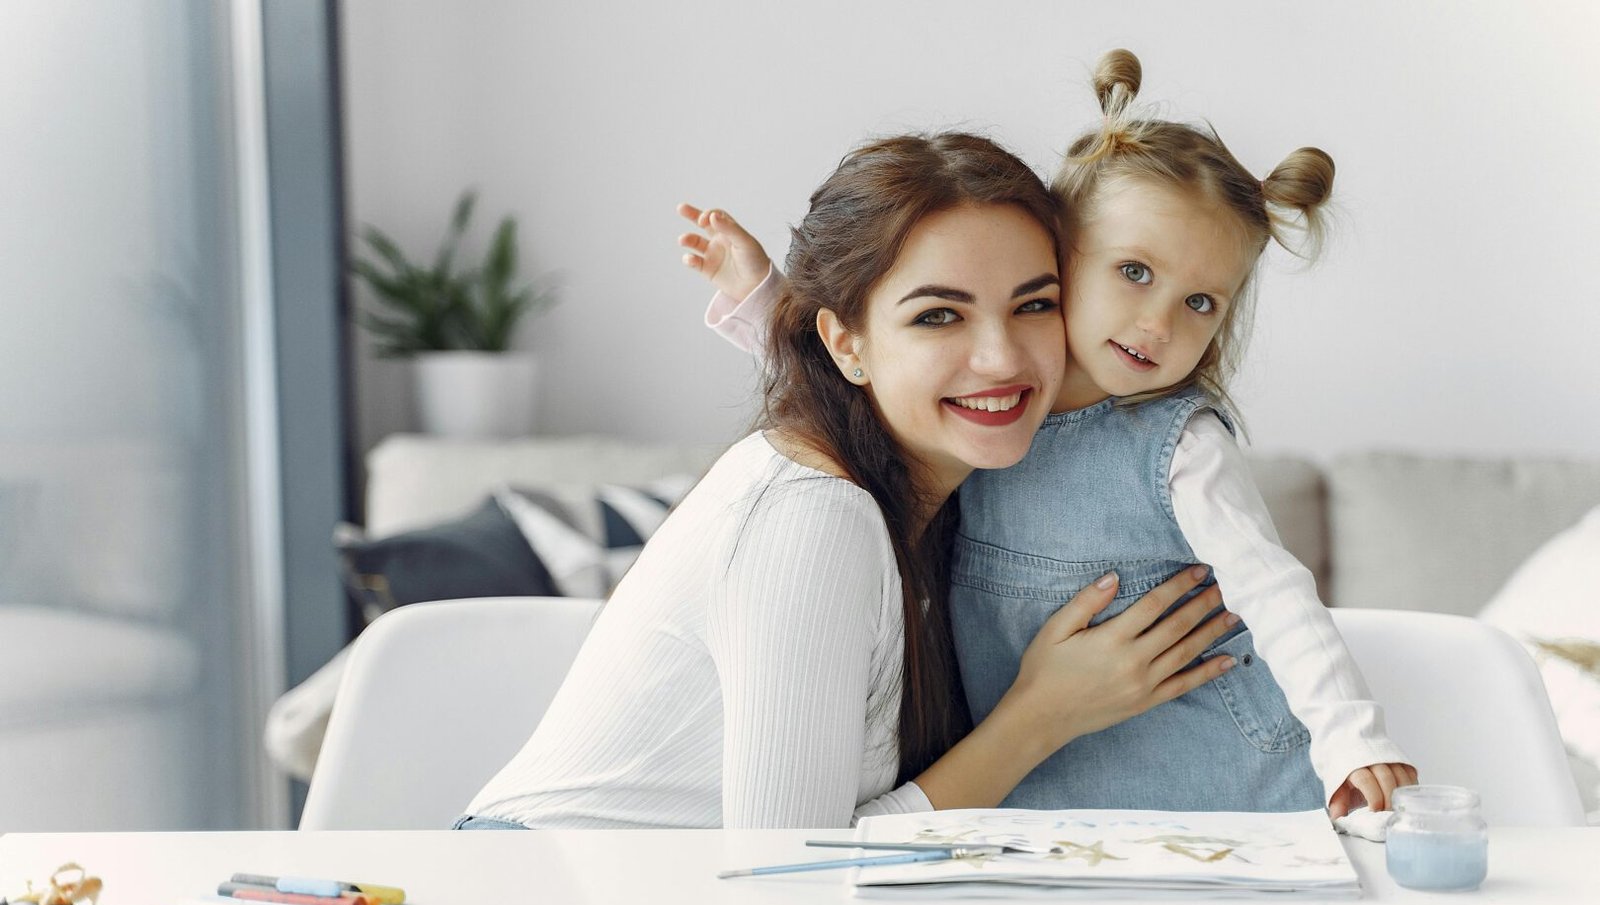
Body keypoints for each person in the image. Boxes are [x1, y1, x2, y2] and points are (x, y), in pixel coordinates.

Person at [682, 50, 1416, 820]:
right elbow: (883, 381)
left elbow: (1276, 591)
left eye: (1201, 302)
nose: (1158, 323)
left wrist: (1353, 741)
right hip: (1042, 788)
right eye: (1134, 272)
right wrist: (767, 302)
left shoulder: (1182, 445)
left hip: (1212, 778)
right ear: (1059, 260)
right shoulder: (1000, 399)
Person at [459, 132, 1239, 830]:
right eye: (939, 315)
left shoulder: (941, 479)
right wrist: (1040, 716)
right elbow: (788, 863)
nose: (1003, 358)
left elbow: (835, 368)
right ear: (847, 343)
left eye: (1034, 304)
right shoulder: (812, 517)